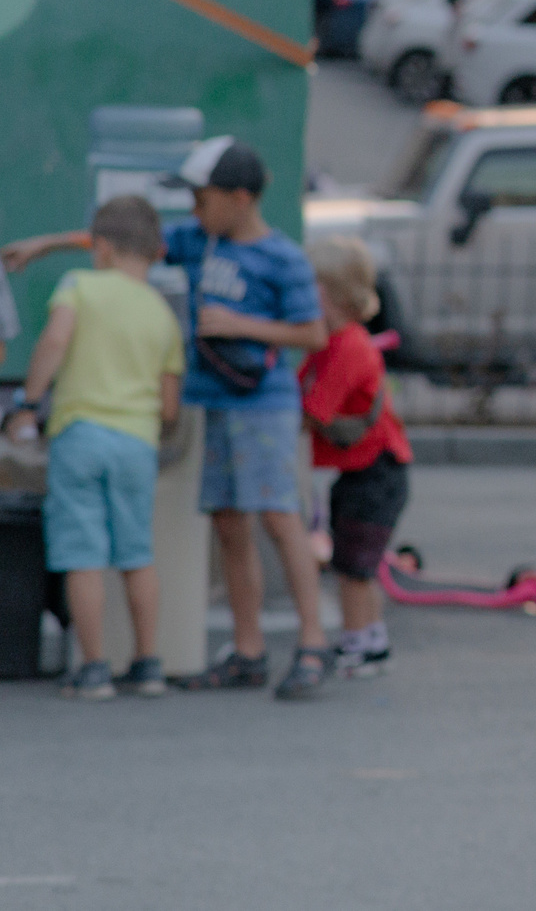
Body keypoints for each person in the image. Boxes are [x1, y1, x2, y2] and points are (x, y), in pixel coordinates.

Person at [6, 137, 335, 697]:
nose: (193, 210)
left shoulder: (282, 257)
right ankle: (249, 649)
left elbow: (312, 332)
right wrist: (48, 245)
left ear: (239, 198)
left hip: (262, 404)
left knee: (278, 519)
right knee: (229, 526)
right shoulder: (196, 241)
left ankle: (311, 643)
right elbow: (129, 245)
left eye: (202, 198)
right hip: (215, 401)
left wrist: (240, 325)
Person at [1, 196, 184, 700]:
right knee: (135, 553)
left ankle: (94, 667)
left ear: (99, 248)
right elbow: (170, 407)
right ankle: (148, 664)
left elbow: (54, 343)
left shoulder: (79, 286)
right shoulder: (163, 315)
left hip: (80, 433)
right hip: (138, 442)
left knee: (83, 552)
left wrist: (29, 401)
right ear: (155, 251)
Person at [301, 235, 411, 677]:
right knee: (355, 563)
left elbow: (314, 408)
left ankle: (360, 643)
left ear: (334, 293)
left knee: (353, 565)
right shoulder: (333, 341)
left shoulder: (347, 346)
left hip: (376, 470)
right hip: (364, 469)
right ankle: (366, 639)